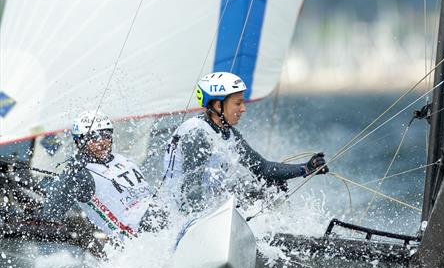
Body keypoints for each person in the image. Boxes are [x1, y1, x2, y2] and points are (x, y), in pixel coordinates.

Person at [162, 72, 328, 214]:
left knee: (273, 186)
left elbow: (263, 169)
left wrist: (306, 168)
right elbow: (190, 192)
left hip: (210, 208)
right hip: (182, 214)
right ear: (218, 105)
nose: (243, 109)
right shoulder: (197, 134)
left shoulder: (227, 133)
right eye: (237, 103)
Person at [40, 111, 159, 241]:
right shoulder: (80, 175)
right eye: (95, 137)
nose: (102, 142)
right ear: (79, 142)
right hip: (140, 240)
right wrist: (70, 174)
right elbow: (51, 212)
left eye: (106, 136)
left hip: (159, 220)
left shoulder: (121, 159)